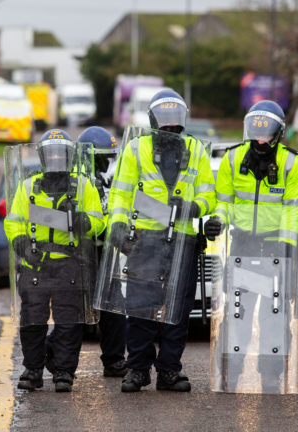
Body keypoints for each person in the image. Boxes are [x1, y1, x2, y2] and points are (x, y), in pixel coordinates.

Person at [106, 89, 215, 393]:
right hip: (145, 240)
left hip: (182, 240)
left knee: (176, 312)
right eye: (164, 121)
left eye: (175, 121)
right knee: (140, 309)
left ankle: (169, 371)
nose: (170, 127)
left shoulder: (196, 150)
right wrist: (115, 225)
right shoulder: (135, 149)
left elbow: (210, 195)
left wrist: (196, 207)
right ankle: (138, 369)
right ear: (153, 120)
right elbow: (121, 193)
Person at [204, 100, 298, 393]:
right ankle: (230, 373)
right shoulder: (232, 159)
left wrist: (285, 252)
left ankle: (272, 376)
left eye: (266, 135)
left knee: (275, 316)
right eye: (255, 134)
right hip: (241, 246)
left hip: (277, 249)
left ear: (279, 133)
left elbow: (294, 211)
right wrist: (217, 221)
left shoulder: (293, 163)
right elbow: (224, 203)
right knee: (237, 314)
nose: (260, 141)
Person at [5, 129, 105, 392]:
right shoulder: (28, 186)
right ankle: (33, 370)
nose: (57, 158)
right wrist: (20, 243)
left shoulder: (83, 185)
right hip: (35, 263)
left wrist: (85, 221)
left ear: (70, 156)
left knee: (68, 323)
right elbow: (13, 222)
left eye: (62, 153)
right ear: (43, 156)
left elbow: (99, 221)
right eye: (52, 153)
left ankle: (63, 372)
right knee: (32, 321)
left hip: (69, 263)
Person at [64, 126, 126, 377]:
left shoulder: (109, 182)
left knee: (114, 308)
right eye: (103, 156)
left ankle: (114, 361)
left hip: (106, 253)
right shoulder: (73, 182)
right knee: (75, 311)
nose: (107, 162)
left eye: (109, 156)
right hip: (78, 254)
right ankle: (57, 358)